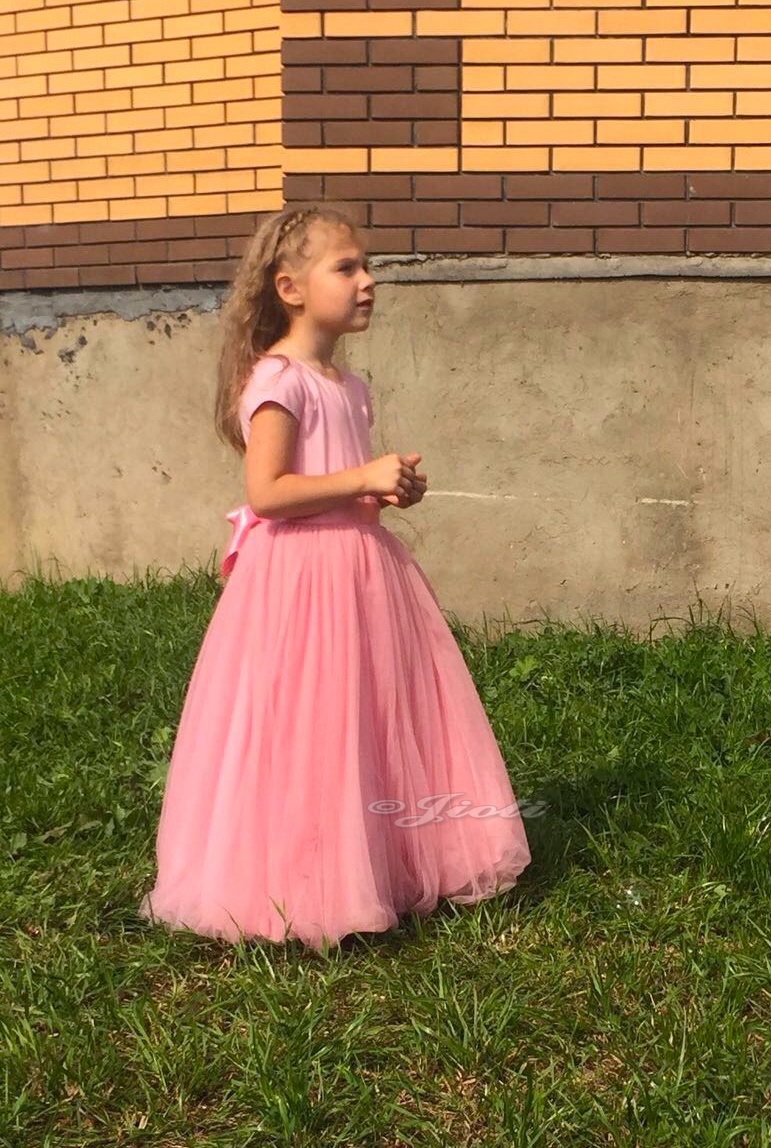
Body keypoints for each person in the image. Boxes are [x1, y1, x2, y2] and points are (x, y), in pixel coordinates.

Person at [138, 201, 532, 953]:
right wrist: (361, 476)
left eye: (367, 266)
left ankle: (381, 859)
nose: (367, 281)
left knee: (370, 717)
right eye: (346, 268)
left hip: (362, 572)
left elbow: (339, 485)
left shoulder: (348, 387)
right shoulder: (279, 380)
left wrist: (384, 490)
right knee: (308, 724)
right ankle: (300, 879)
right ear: (290, 288)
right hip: (300, 580)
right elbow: (268, 493)